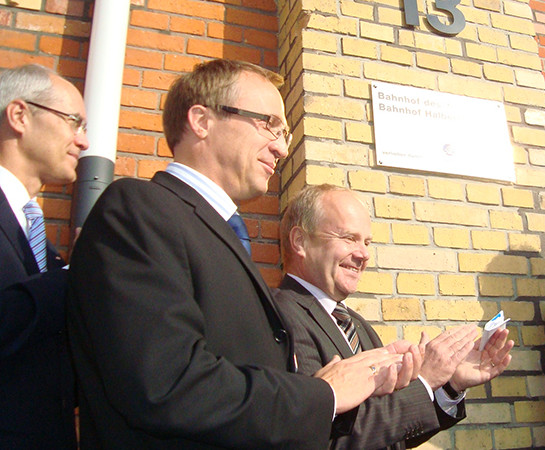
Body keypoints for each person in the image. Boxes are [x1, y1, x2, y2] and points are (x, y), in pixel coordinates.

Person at [67, 59, 416, 448]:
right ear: (201, 120)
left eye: (284, 132)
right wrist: (323, 395)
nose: (282, 147)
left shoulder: (222, 232)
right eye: (268, 123)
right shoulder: (138, 210)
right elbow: (165, 383)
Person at [275, 183, 514, 449]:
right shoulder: (279, 317)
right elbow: (322, 438)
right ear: (300, 241)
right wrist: (425, 381)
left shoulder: (357, 325)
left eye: (367, 242)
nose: (363, 254)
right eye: (348, 238)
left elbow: (390, 435)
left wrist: (450, 384)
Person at [0, 64, 87, 449]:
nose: (83, 142)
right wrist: (79, 272)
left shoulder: (42, 245)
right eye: (73, 122)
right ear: (19, 115)